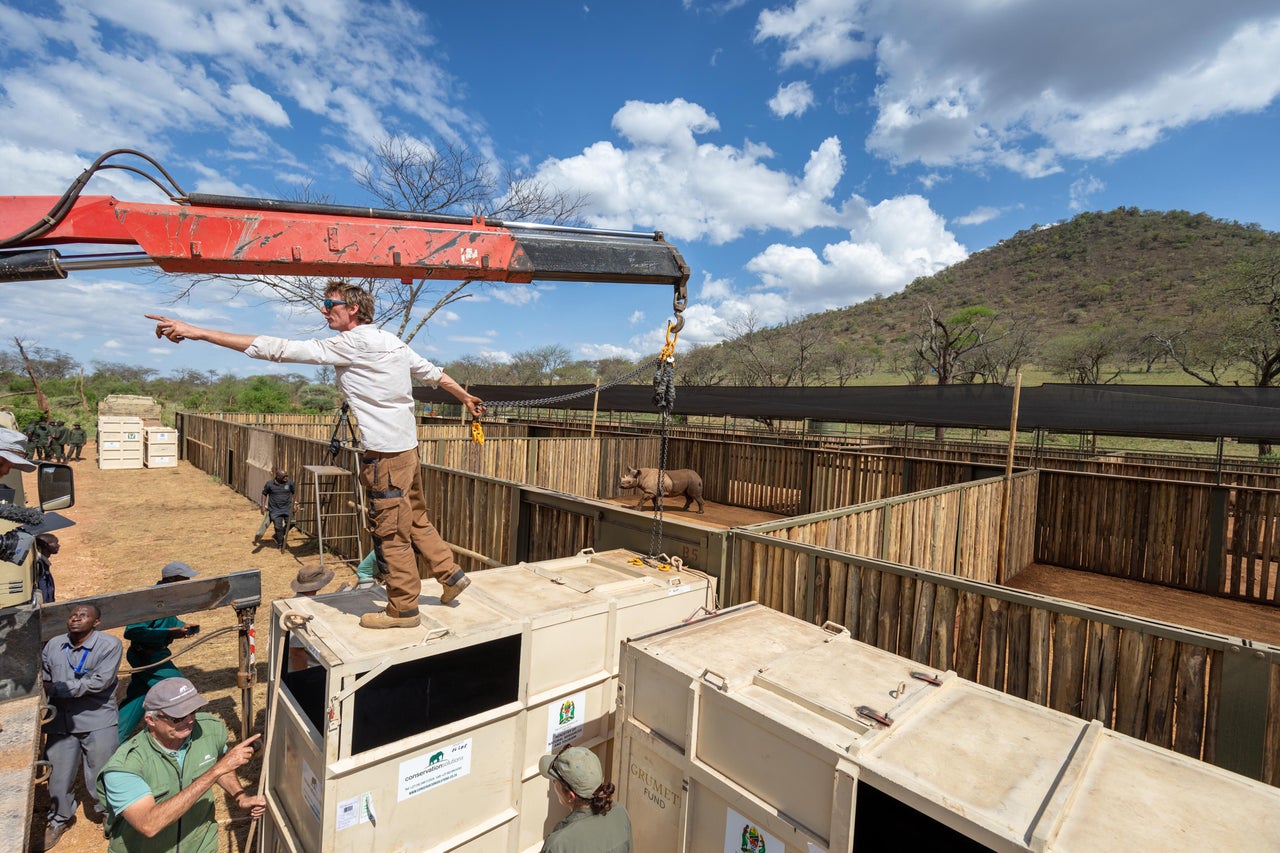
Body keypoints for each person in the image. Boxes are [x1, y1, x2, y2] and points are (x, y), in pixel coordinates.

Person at [147, 281, 486, 630]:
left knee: (390, 533)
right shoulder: (391, 341)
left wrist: (197, 332)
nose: (323, 310)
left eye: (329, 304)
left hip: (385, 459)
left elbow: (275, 349)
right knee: (415, 518)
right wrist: (465, 396)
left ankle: (403, 610)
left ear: (353, 308)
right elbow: (434, 373)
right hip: (407, 452)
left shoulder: (351, 344)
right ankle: (450, 574)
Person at [97, 677, 265, 853]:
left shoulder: (209, 729)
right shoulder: (125, 766)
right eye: (178, 717)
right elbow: (148, 824)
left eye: (193, 711)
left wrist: (240, 797)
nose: (190, 720)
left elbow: (217, 761)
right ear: (151, 720)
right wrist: (217, 770)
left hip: (201, 845)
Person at [40, 603, 124, 850]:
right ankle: (59, 819)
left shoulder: (109, 645)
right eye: (73, 615)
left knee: (103, 772)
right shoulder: (54, 645)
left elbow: (100, 682)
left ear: (96, 622)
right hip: (60, 722)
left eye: (83, 615)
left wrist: (57, 689)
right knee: (57, 775)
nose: (76, 618)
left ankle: (110, 814)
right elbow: (43, 679)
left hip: (97, 719)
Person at [118, 562, 201, 740]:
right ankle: (195, 738)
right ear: (171, 579)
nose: (188, 582)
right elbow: (132, 631)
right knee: (182, 691)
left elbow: (169, 622)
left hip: (154, 654)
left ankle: (113, 740)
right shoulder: (148, 600)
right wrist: (169, 633)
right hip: (147, 656)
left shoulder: (166, 597)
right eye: (184, 578)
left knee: (136, 700)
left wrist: (183, 627)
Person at [538, 746, 632, 853]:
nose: (553, 782)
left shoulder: (557, 845)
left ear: (570, 796)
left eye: (555, 780)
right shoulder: (620, 813)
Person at [287, 562, 334, 670]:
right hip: (310, 669)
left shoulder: (300, 602)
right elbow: (296, 652)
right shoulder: (299, 612)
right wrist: (302, 680)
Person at [259, 468, 295, 552]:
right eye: (284, 477)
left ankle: (277, 536)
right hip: (275, 510)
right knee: (278, 527)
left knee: (292, 523)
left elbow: (294, 493)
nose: (286, 478)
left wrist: (295, 504)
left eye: (287, 476)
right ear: (278, 476)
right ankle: (280, 544)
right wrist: (263, 506)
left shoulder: (289, 483)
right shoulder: (270, 484)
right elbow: (264, 494)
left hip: (288, 508)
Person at [34, 532, 58, 603]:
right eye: (55, 543)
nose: (58, 545)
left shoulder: (44, 563)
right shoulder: (39, 564)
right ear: (46, 545)